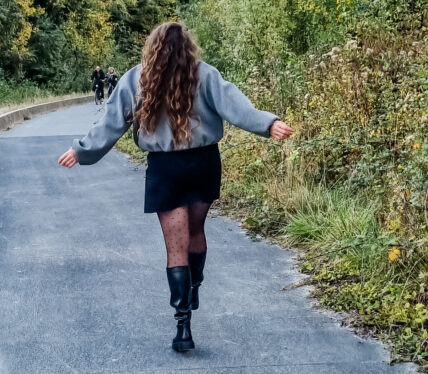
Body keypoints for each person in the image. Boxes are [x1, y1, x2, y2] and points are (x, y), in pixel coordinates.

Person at [59, 22, 294, 352]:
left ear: (152, 47)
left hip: (165, 168)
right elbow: (236, 106)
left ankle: (183, 326)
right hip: (203, 164)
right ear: (188, 47)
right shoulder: (204, 74)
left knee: (176, 246)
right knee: (195, 233)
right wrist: (268, 124)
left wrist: (81, 151)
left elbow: (111, 121)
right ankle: (194, 285)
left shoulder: (138, 78)